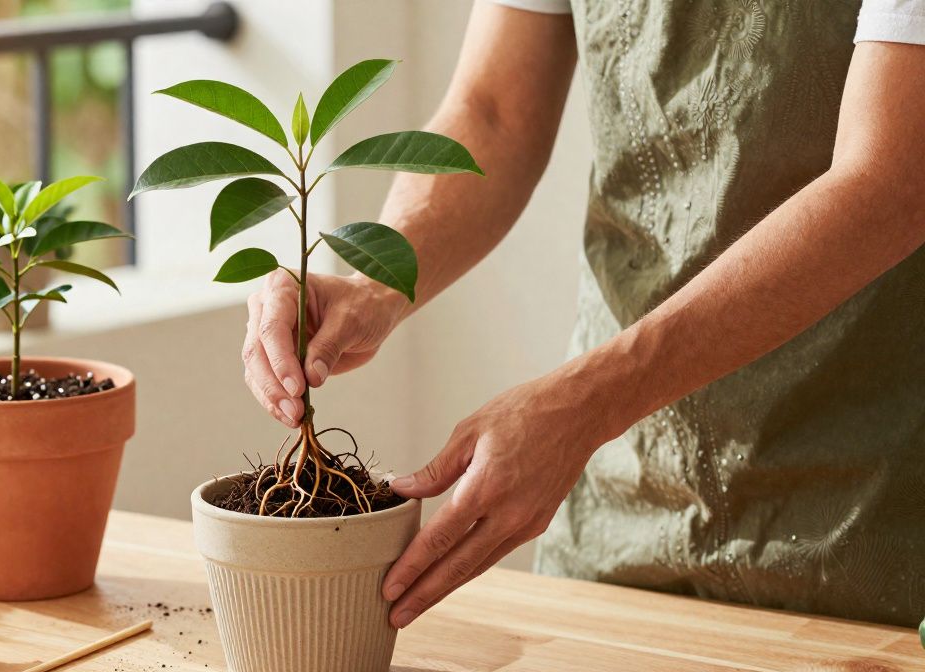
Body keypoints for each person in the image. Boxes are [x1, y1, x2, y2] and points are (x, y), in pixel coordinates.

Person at [242, 0, 925, 630]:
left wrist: (584, 405)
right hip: (616, 505)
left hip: (868, 518)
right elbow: (493, 112)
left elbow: (892, 183)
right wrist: (374, 280)